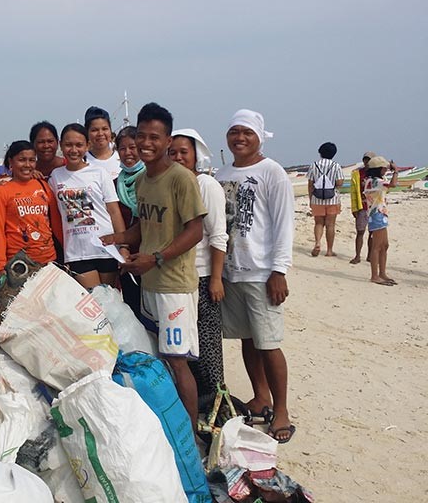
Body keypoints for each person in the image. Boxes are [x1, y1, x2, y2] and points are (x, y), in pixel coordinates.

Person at [103, 103, 206, 429]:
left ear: (167, 140)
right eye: (141, 136)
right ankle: (169, 422)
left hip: (174, 285)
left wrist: (156, 258)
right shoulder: (144, 181)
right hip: (149, 281)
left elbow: (195, 230)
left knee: (178, 362)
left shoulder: (181, 179)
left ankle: (188, 434)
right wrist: (118, 238)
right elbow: (146, 228)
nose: (146, 143)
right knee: (157, 356)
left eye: (154, 137)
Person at [215, 109, 295, 444]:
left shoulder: (272, 172)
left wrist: (279, 270)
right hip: (233, 270)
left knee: (269, 343)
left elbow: (284, 223)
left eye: (246, 132)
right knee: (249, 339)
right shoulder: (223, 172)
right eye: (234, 132)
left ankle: (282, 410)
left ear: (259, 136)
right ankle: (260, 397)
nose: (239, 138)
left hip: (262, 271)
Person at [169, 128, 228, 410]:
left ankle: (217, 408)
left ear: (195, 155)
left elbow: (218, 235)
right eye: (173, 152)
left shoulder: (206, 185)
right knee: (186, 350)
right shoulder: (170, 186)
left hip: (204, 277)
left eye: (184, 152)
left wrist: (216, 278)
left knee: (208, 350)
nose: (179, 157)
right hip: (177, 280)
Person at [49, 123, 128, 289]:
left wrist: (123, 246)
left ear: (87, 146)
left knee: (109, 302)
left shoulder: (99, 173)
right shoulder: (56, 177)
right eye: (68, 145)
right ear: (61, 145)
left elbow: (113, 212)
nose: (74, 150)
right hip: (77, 253)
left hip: (106, 248)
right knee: (94, 301)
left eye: (79, 145)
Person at [0, 141, 62, 275]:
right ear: (11, 162)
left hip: (49, 261)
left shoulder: (43, 186)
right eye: (22, 160)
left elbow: (56, 224)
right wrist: (0, 266)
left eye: (32, 160)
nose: (27, 165)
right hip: (18, 265)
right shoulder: (0, 192)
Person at [114, 126, 145, 319]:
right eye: (122, 149)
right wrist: (122, 248)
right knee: (133, 312)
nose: (128, 153)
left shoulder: (152, 178)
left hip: (151, 256)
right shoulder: (115, 183)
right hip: (125, 258)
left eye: (132, 147)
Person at [364, 156, 398, 286]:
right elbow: (393, 184)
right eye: (384, 168)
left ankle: (382, 273)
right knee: (377, 247)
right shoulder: (374, 181)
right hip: (376, 215)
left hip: (380, 214)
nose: (385, 170)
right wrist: (395, 171)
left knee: (384, 246)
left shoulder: (372, 180)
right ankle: (374, 275)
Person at [306, 142, 344, 257]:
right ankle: (329, 250)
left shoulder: (314, 165)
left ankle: (317, 243)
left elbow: (310, 184)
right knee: (330, 225)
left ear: (320, 152)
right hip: (332, 199)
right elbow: (339, 182)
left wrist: (310, 198)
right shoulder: (336, 166)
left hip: (317, 199)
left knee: (318, 223)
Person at [349, 152, 375, 264]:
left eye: (369, 160)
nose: (367, 162)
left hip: (374, 207)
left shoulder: (376, 174)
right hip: (362, 206)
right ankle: (358, 255)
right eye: (365, 159)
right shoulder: (358, 173)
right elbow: (353, 192)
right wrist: (354, 208)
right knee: (360, 231)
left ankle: (370, 255)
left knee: (372, 233)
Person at [83, 106, 121, 179]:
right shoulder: (82, 161)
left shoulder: (122, 158)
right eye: (94, 130)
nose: (100, 134)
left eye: (104, 129)